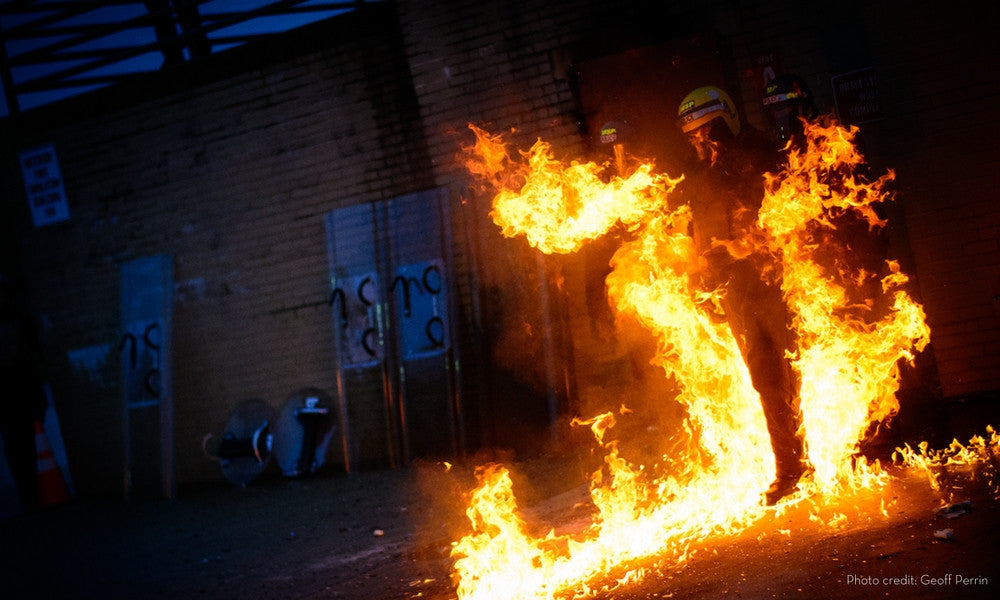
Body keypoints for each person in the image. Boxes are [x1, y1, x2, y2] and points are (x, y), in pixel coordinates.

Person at [675, 85, 808, 504]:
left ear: (727, 119)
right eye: (694, 133)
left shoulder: (760, 157)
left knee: (787, 374)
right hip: (735, 295)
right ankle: (792, 469)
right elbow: (700, 233)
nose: (702, 139)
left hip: (771, 282)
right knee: (766, 381)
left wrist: (743, 247)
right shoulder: (700, 177)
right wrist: (701, 280)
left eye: (708, 128)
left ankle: (799, 465)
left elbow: (786, 215)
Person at [0, 274, 48, 512]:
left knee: (20, 448)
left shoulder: (20, 322)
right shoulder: (21, 322)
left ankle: (30, 497)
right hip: (18, 389)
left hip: (17, 389)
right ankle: (31, 497)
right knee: (22, 447)